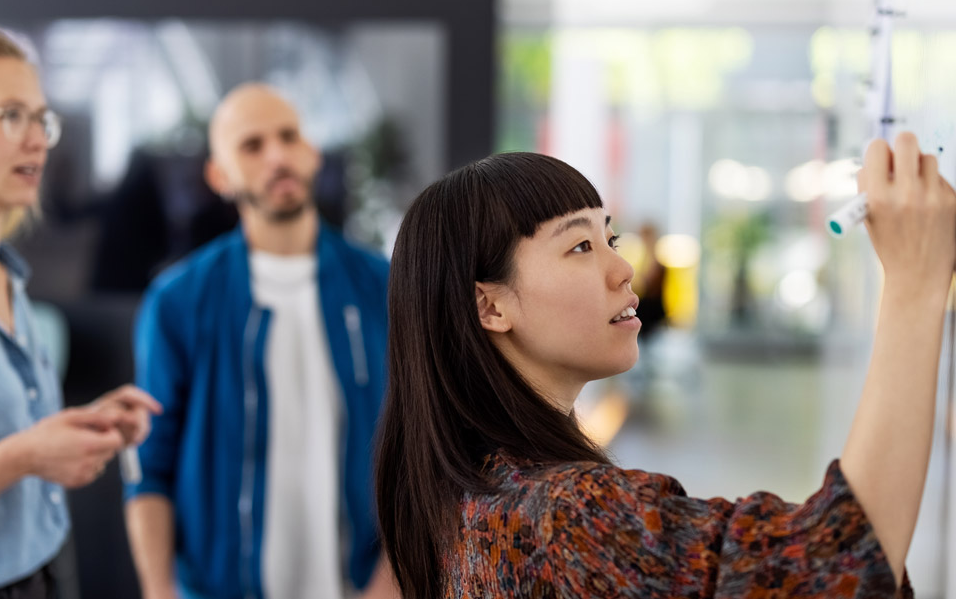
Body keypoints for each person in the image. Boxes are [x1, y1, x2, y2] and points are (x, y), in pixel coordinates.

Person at [376, 142, 955, 598]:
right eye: (580, 247)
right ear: (490, 306)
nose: (623, 268)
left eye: (611, 238)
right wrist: (915, 285)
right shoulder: (566, 515)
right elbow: (837, 567)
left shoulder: (464, 492)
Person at [125, 83, 398, 599]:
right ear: (218, 176)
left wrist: (391, 583)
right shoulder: (178, 302)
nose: (277, 156)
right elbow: (149, 465)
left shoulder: (384, 289)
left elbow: (426, 453)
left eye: (289, 137)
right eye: (252, 146)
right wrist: (159, 592)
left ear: (312, 153)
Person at [0, 27, 161, 598]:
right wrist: (26, 455)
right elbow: (16, 453)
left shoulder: (9, 280)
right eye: (10, 115)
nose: (37, 140)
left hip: (48, 571)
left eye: (41, 120)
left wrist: (83, 425)